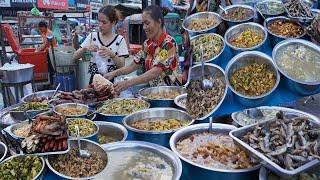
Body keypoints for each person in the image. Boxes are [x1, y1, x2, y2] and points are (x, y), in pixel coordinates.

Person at [104, 5, 181, 93]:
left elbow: (156, 71)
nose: (144, 27)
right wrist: (113, 73)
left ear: (159, 23)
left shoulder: (169, 43)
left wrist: (127, 83)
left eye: (147, 23)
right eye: (143, 24)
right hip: (155, 93)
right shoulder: (147, 44)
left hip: (171, 92)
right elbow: (132, 66)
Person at [73, 5, 129, 84]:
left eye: (104, 22)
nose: (100, 25)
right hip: (94, 81)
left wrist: (112, 54)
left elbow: (121, 65)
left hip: (112, 81)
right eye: (99, 21)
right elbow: (75, 56)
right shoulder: (92, 36)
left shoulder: (120, 40)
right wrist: (85, 48)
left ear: (113, 23)